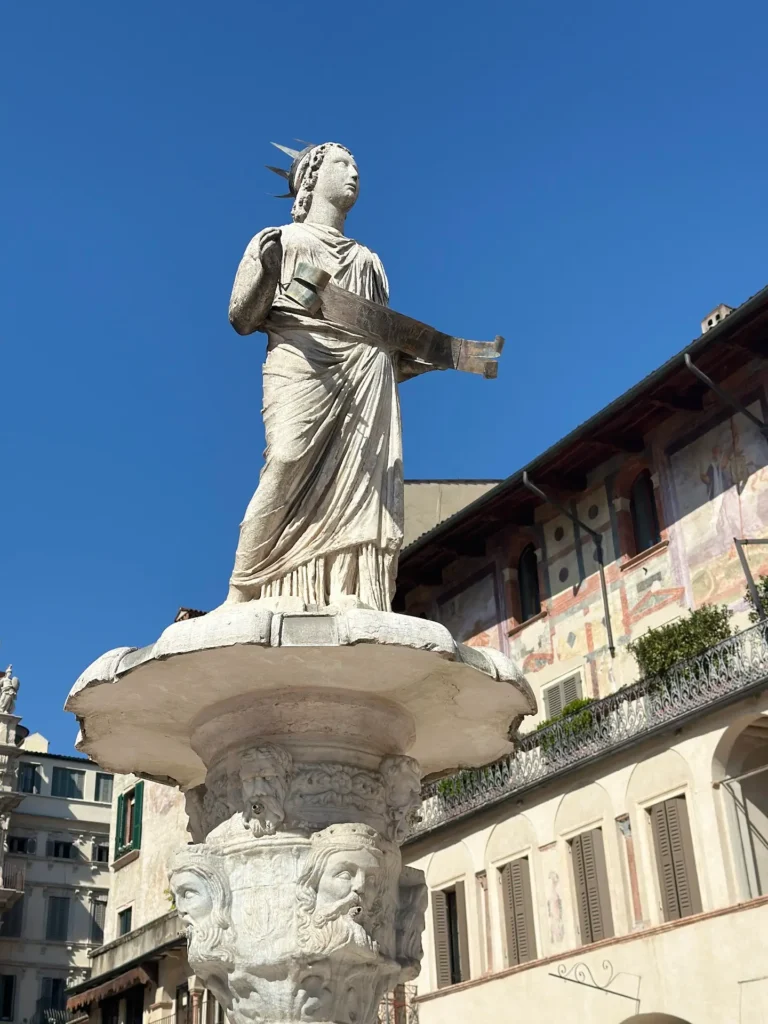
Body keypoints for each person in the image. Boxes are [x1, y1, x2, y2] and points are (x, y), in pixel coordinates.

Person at [225, 142, 434, 612]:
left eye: (357, 164)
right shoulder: (278, 239)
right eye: (343, 163)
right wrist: (268, 272)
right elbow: (242, 317)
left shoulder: (368, 261)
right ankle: (243, 589)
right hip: (300, 364)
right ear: (311, 178)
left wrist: (424, 360)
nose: (355, 172)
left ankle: (348, 586)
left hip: (365, 379)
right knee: (285, 458)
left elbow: (381, 341)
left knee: (363, 476)